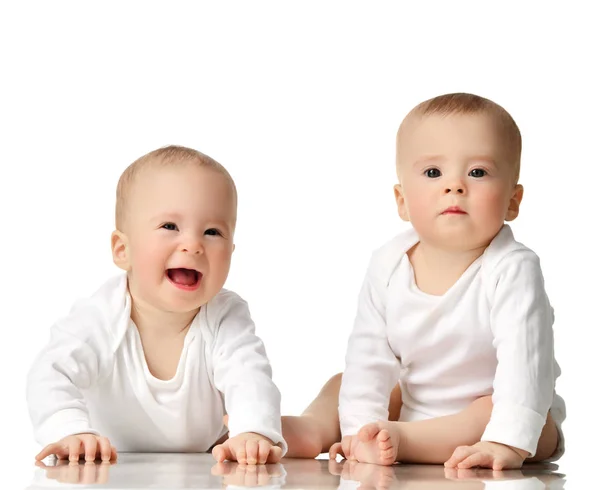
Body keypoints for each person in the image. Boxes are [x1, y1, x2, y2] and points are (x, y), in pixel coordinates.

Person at [282, 93, 565, 470]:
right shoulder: (388, 264)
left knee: (489, 409)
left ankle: (403, 441)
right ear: (401, 200)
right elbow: (369, 355)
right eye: (433, 173)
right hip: (416, 407)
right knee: (346, 380)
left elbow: (524, 366)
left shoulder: (513, 268)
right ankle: (316, 427)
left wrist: (506, 443)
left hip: (511, 417)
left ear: (512, 201)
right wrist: (358, 429)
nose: (455, 186)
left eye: (477, 172)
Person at [27, 146, 286, 465]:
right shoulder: (99, 317)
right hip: (110, 461)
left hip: (205, 455)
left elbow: (249, 376)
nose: (193, 245)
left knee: (273, 430)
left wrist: (252, 432)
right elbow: (51, 373)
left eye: (212, 232)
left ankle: (318, 418)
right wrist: (69, 431)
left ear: (232, 250)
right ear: (123, 249)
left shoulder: (225, 315)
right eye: (170, 226)